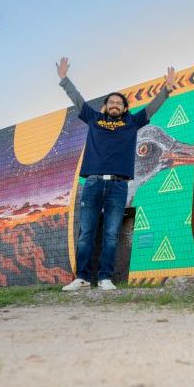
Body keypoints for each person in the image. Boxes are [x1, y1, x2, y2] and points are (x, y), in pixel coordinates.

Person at [56, 57, 176, 291]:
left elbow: (151, 108)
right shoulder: (94, 119)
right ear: (105, 106)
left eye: (118, 103)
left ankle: (105, 279)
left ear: (124, 108)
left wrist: (166, 90)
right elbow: (77, 99)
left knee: (111, 234)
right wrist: (64, 80)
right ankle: (81, 278)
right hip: (92, 183)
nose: (114, 105)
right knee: (86, 233)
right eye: (111, 102)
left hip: (119, 186)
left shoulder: (132, 123)